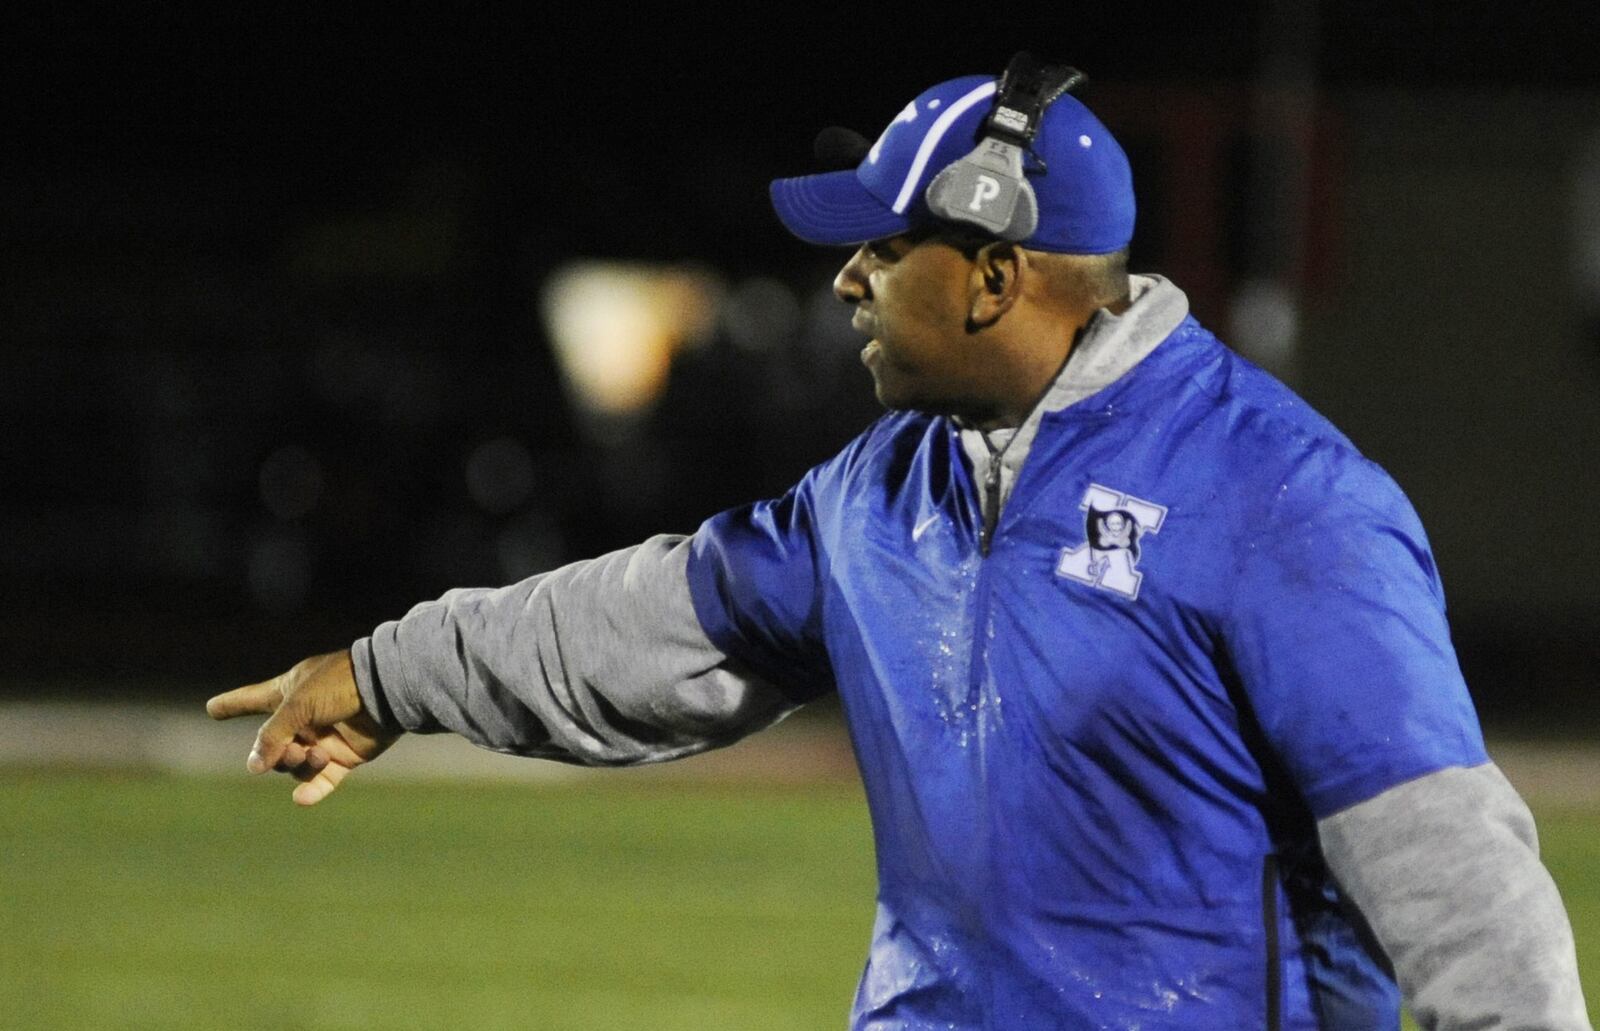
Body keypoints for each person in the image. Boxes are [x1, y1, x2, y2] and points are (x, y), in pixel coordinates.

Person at [206, 56, 1591, 1029]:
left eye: (885, 247)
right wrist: (388, 674)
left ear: (993, 274)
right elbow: (654, 624)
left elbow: (1450, 863)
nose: (849, 277)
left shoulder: (1280, 500)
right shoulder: (882, 489)